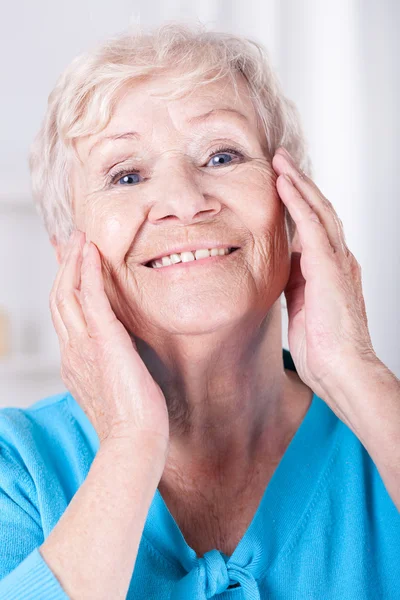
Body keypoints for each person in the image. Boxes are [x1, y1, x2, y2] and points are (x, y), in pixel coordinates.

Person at [0, 21, 399, 600]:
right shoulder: (17, 469)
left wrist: (353, 368)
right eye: (126, 174)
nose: (185, 202)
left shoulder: (380, 435)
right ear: (69, 249)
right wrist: (131, 444)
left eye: (221, 155)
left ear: (295, 213)